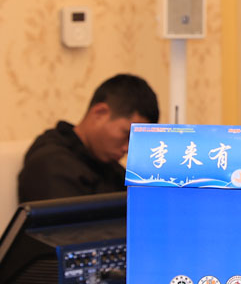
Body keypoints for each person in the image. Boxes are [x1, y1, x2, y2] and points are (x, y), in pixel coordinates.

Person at [17, 73, 159, 202]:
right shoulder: (51, 164)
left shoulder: (106, 163)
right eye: (127, 135)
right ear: (100, 113)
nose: (128, 148)